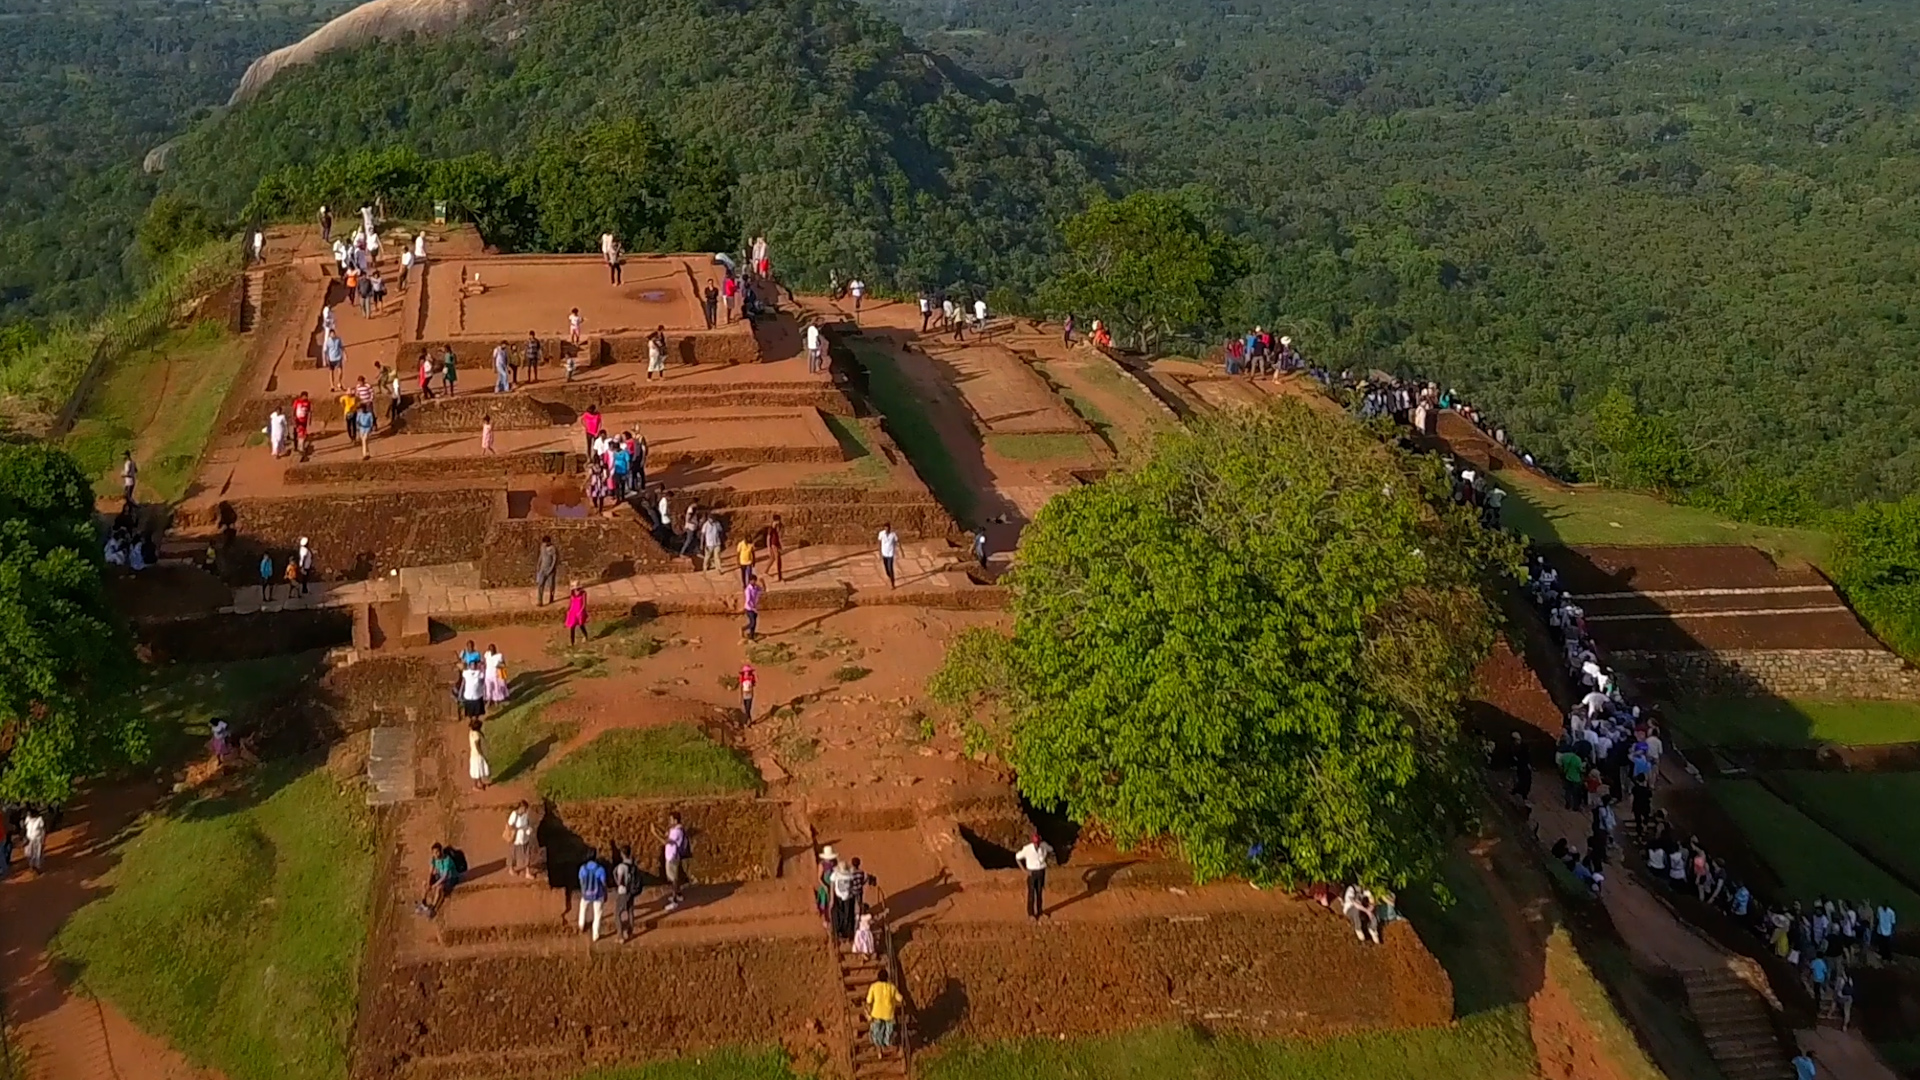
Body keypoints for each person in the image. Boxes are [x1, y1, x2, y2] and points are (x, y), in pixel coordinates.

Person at [1015, 831, 1052, 920]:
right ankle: (1031, 914)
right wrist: (1024, 870)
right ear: (1033, 842)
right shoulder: (1027, 849)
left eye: (1038, 843)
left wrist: (1046, 858)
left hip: (1041, 871)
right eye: (1036, 843)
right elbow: (1017, 858)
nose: (1037, 845)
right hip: (1032, 873)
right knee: (1031, 893)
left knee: (1039, 892)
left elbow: (1050, 850)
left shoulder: (1044, 846)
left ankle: (1040, 912)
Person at [865, 970, 902, 1051]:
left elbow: (868, 1001)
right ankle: (887, 1044)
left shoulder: (874, 987)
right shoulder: (892, 987)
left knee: (876, 1031)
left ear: (878, 978)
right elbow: (900, 998)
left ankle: (878, 1045)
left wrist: (868, 1011)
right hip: (889, 1014)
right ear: (887, 978)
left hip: (876, 1013)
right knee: (888, 1032)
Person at [419, 842, 459, 917]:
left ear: (441, 851)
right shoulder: (433, 859)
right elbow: (430, 872)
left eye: (437, 852)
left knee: (439, 888)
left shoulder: (447, 860)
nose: (436, 854)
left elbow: (445, 876)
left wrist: (434, 885)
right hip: (440, 875)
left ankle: (433, 907)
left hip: (451, 878)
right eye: (434, 852)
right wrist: (428, 883)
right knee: (424, 883)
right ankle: (423, 903)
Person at [577, 849, 608, 941]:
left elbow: (581, 881)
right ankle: (595, 935)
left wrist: (583, 890)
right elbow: (603, 883)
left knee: (583, 909)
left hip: (585, 894)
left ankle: (581, 925)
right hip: (598, 895)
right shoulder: (600, 869)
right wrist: (605, 893)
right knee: (597, 915)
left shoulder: (583, 868)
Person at [613, 845, 640, 942]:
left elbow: (620, 881)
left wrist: (615, 879)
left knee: (617, 914)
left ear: (622, 854)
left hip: (623, 892)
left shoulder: (621, 866)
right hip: (631, 892)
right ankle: (630, 933)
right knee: (630, 912)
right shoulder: (633, 865)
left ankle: (620, 936)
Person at [662, 811, 688, 911]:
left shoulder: (677, 832)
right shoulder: (674, 830)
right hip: (671, 856)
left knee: (673, 880)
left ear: (676, 820)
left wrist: (655, 833)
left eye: (671, 819)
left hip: (672, 857)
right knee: (674, 878)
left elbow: (666, 841)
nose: (669, 821)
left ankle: (674, 901)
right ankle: (678, 895)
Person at [506, 800, 536, 878]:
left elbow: (527, 824)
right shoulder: (514, 814)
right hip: (516, 838)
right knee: (513, 853)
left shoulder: (525, 815)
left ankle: (527, 872)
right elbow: (509, 825)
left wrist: (528, 829)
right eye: (524, 808)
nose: (525, 810)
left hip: (524, 837)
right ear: (521, 808)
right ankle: (511, 868)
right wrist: (517, 829)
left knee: (527, 853)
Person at [535, 536, 559, 606]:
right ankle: (540, 601)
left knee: (551, 585)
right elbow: (541, 556)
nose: (544, 544)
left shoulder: (553, 549)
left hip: (550, 570)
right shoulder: (542, 547)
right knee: (540, 585)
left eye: (546, 543)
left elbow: (554, 559)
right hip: (542, 569)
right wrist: (538, 565)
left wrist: (551, 569)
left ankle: (551, 598)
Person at [467, 719, 490, 791]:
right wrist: (482, 754)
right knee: (477, 770)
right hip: (477, 755)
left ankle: (480, 782)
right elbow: (477, 746)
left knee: (478, 769)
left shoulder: (471, 732)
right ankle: (475, 786)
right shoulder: (477, 735)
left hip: (473, 754)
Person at [23, 807, 46, 873]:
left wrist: (43, 839)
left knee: (37, 853)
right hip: (29, 839)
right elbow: (25, 828)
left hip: (37, 839)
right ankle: (32, 864)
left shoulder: (39, 819)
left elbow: (43, 829)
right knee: (29, 853)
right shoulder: (28, 819)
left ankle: (37, 866)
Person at [877, 523, 900, 588]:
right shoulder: (881, 534)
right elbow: (879, 542)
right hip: (884, 553)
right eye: (885, 528)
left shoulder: (893, 534)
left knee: (890, 568)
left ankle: (893, 583)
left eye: (887, 528)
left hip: (890, 554)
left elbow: (897, 541)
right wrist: (880, 553)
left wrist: (898, 549)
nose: (886, 529)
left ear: (889, 528)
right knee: (886, 569)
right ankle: (890, 576)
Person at [742, 574, 763, 640]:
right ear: (750, 581)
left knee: (754, 624)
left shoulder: (756, 587)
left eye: (755, 581)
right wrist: (753, 608)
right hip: (749, 608)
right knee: (752, 622)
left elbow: (763, 590)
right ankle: (743, 628)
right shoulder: (748, 590)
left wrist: (763, 582)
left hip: (754, 608)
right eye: (753, 581)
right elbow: (748, 600)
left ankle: (751, 637)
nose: (754, 582)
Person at [766, 515, 784, 582]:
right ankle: (779, 576)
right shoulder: (771, 528)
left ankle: (766, 571)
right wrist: (768, 548)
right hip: (774, 545)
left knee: (773, 558)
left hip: (776, 544)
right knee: (778, 560)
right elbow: (768, 538)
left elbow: (778, 537)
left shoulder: (776, 527)